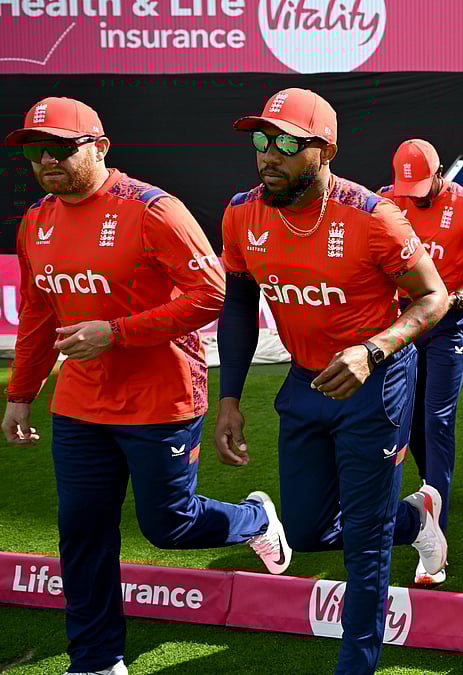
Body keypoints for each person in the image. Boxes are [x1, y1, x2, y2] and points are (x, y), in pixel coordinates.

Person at [2, 96, 286, 675]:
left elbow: (211, 295)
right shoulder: (36, 221)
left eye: (60, 148)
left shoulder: (154, 209)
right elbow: (35, 315)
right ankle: (97, 660)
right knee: (82, 535)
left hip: (162, 401)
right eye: (35, 151)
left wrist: (117, 333)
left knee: (170, 527)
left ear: (100, 148)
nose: (45, 161)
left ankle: (256, 519)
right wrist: (20, 394)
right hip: (80, 407)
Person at [215, 88, 449, 674]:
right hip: (305, 381)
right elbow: (239, 306)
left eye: (287, 143)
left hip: (377, 384)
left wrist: (374, 350)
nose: (269, 154)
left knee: (365, 547)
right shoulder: (242, 213)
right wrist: (230, 399)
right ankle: (418, 517)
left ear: (325, 150)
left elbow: (434, 297)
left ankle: (357, 664)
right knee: (306, 528)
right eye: (261, 141)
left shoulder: (374, 216)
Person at [377, 139, 463, 583]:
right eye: (405, 186)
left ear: (441, 171)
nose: (413, 194)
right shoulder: (385, 202)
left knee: (437, 421)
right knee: (407, 422)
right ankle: (434, 489)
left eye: (421, 184)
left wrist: (459, 296)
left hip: (447, 326)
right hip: (403, 324)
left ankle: (436, 534)